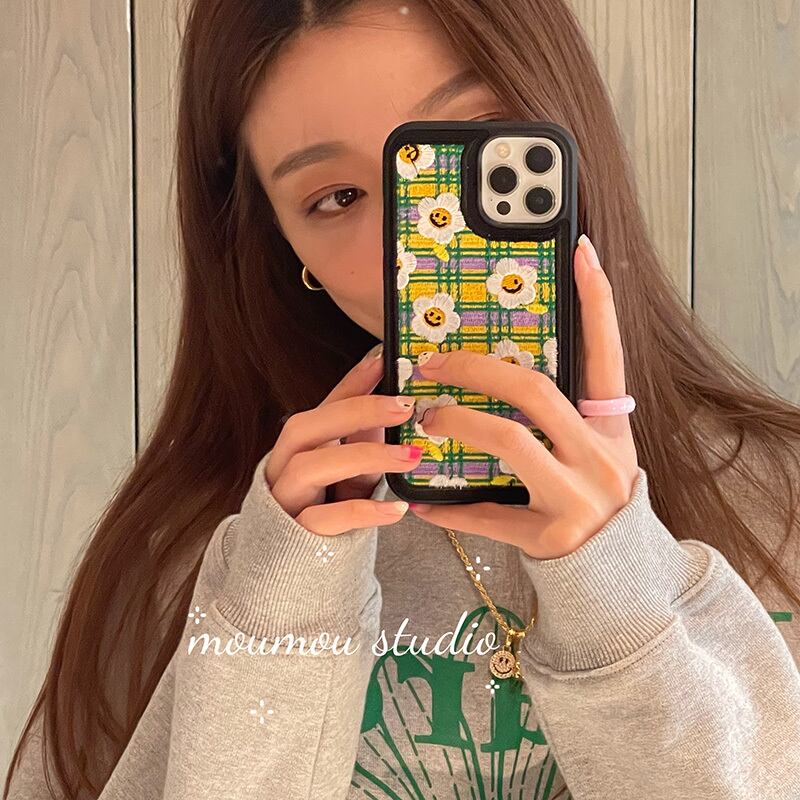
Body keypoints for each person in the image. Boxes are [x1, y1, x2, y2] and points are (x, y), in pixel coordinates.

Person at [5, 0, 800, 798]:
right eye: (338, 197)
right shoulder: (187, 560)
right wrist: (279, 620)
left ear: (565, 130)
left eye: (469, 142)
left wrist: (619, 596)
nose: (416, 241)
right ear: (284, 247)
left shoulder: (781, 503)